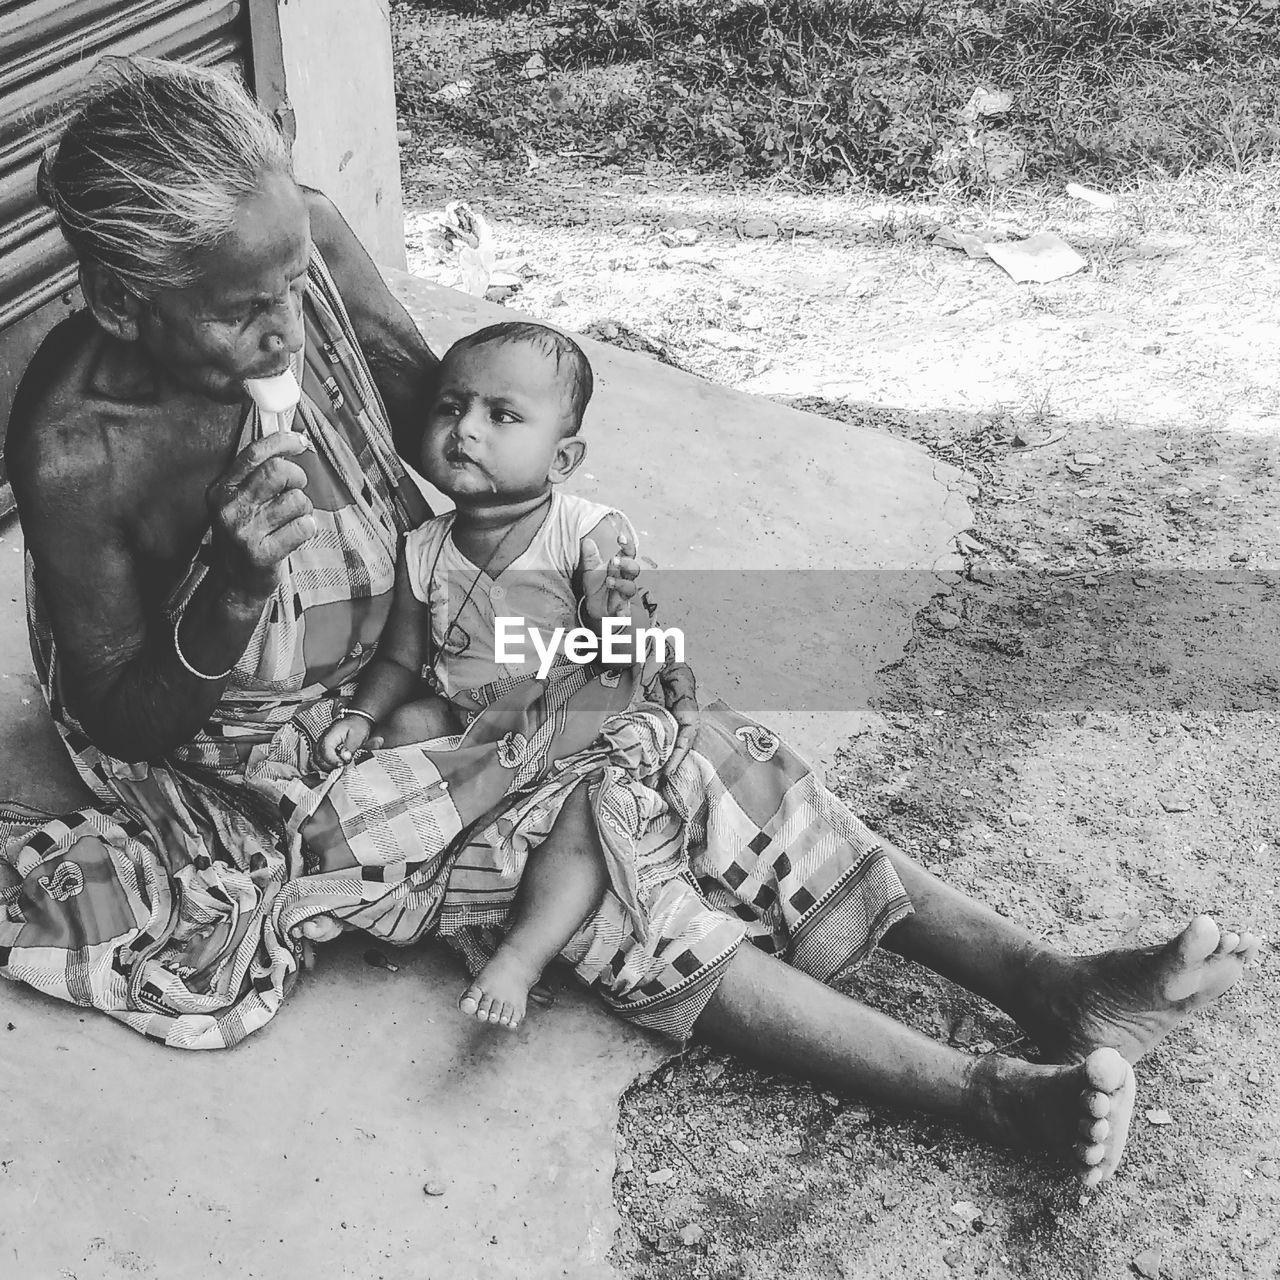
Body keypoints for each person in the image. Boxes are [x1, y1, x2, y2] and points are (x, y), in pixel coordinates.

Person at [0, 58, 1261, 1193]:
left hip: (411, 624)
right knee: (585, 857)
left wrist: (560, 595)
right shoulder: (75, 447)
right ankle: (991, 1099)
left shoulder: (308, 248)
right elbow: (126, 713)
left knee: (692, 737)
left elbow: (449, 444)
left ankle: (1049, 983)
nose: (289, 326)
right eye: (243, 314)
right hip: (268, 742)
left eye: (293, 283)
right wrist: (228, 590)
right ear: (121, 304)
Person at [314, 320, 648, 1029]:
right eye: (449, 406)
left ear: (563, 458)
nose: (465, 428)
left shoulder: (586, 532)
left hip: (563, 737)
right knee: (400, 733)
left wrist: (618, 611)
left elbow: (618, 659)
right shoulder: (423, 548)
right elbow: (403, 660)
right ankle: (417, 869)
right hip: (468, 727)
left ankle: (520, 957)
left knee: (589, 816)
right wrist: (363, 716)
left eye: (501, 416)